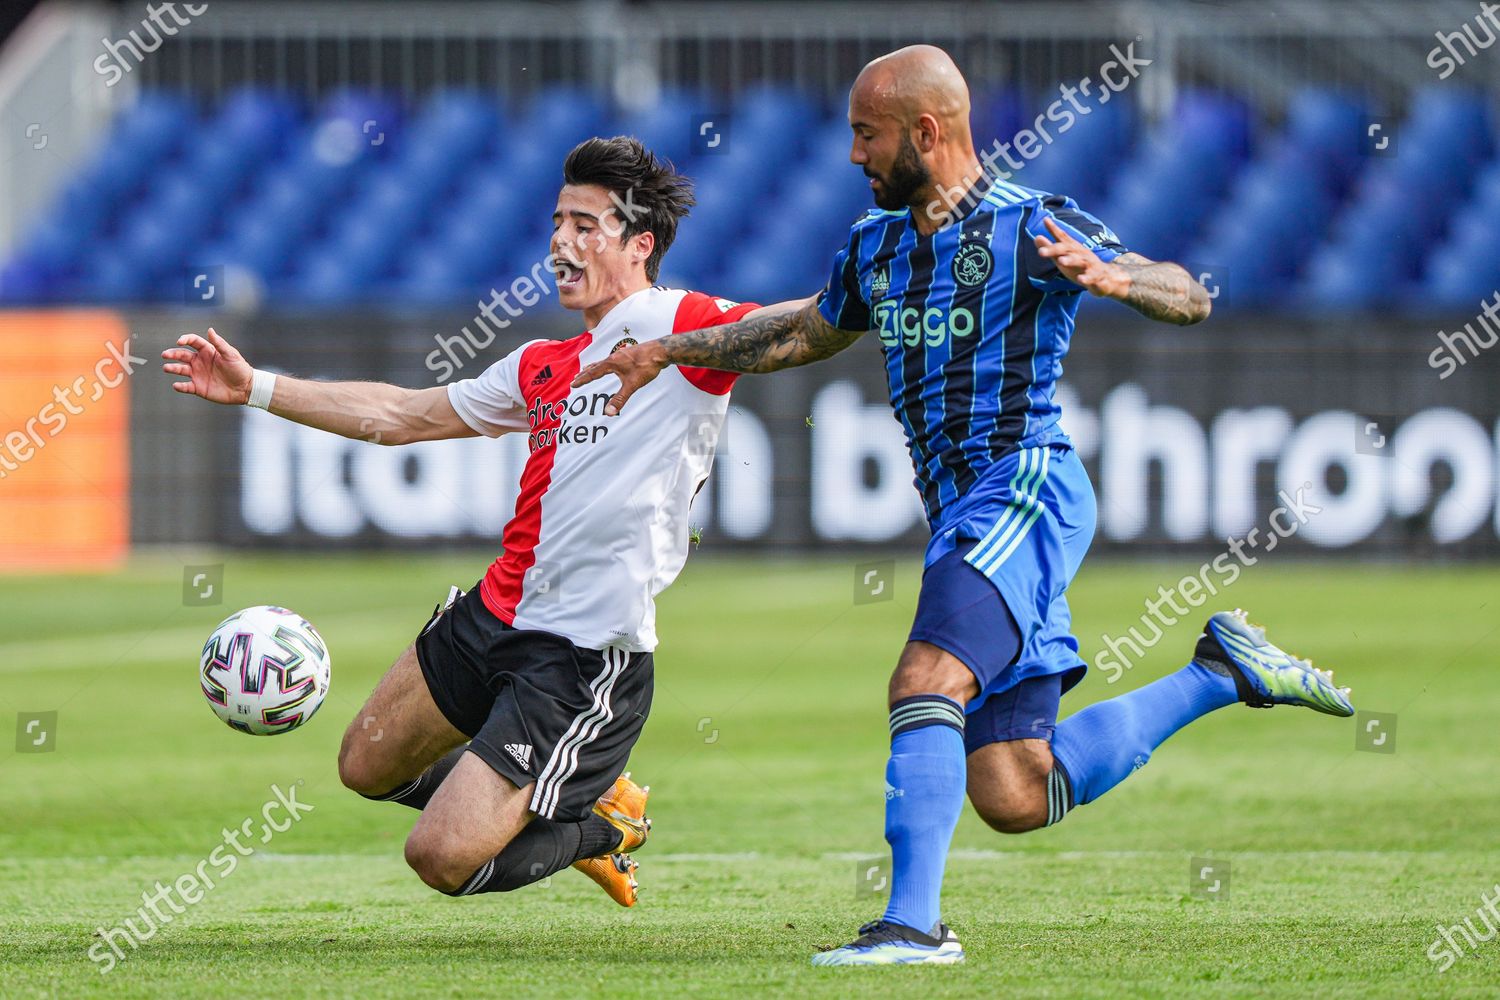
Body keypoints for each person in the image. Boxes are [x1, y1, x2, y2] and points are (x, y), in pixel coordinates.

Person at [573, 46, 1354, 962]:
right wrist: (669, 353)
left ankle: (912, 926)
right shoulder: (873, 246)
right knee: (1016, 789)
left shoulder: (1032, 226)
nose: (855, 154)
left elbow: (1188, 294)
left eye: (867, 134)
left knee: (923, 680)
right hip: (963, 516)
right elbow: (801, 334)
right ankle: (1220, 672)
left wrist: (1119, 280)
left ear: (927, 131)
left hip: (1024, 485)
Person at [161, 136, 794, 908]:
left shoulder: (682, 323)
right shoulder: (542, 363)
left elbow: (795, 329)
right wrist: (257, 386)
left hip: (582, 654)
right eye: (558, 221)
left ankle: (600, 828)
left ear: (640, 244)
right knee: (365, 765)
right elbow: (398, 415)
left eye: (586, 225)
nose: (561, 240)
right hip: (493, 614)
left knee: (439, 858)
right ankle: (560, 800)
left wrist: (682, 347)